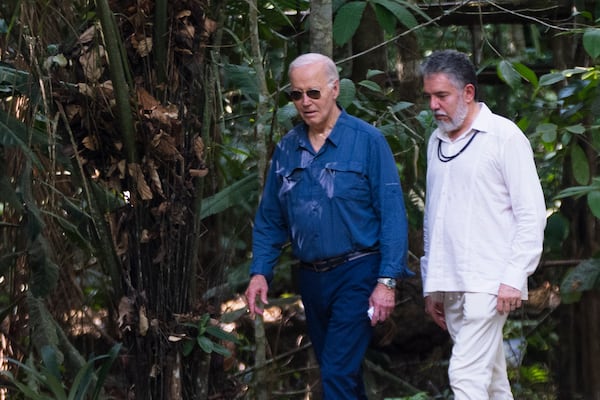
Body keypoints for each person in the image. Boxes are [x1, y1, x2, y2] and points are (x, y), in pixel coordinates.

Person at [244, 52, 413, 399]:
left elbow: (393, 214)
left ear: (335, 89)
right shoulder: (288, 149)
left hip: (358, 272)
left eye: (313, 92)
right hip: (311, 278)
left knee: (336, 373)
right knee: (342, 374)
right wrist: (260, 272)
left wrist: (387, 281)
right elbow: (270, 218)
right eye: (296, 94)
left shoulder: (367, 141)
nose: (304, 102)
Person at [419, 49, 547, 399]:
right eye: (429, 96)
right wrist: (432, 282)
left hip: (490, 281)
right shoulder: (436, 141)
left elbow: (531, 213)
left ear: (469, 92)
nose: (433, 105)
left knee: (464, 375)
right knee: (490, 380)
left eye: (441, 95)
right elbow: (435, 215)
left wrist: (514, 275)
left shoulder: (503, 136)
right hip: (452, 281)